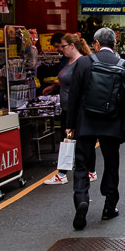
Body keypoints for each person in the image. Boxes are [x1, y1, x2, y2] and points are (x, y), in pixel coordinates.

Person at [67, 27, 125, 231]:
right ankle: (109, 206)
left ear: (96, 44)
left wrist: (70, 125)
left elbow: (74, 95)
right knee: (111, 162)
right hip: (112, 122)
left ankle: (82, 198)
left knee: (81, 163)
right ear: (114, 44)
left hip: (86, 121)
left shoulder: (83, 63)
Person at [44, 34, 97, 186]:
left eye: (63, 46)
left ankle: (65, 172)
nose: (61, 49)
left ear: (72, 46)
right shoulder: (69, 61)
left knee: (76, 139)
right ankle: (85, 170)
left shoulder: (82, 62)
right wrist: (54, 86)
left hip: (78, 108)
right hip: (67, 106)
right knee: (70, 139)